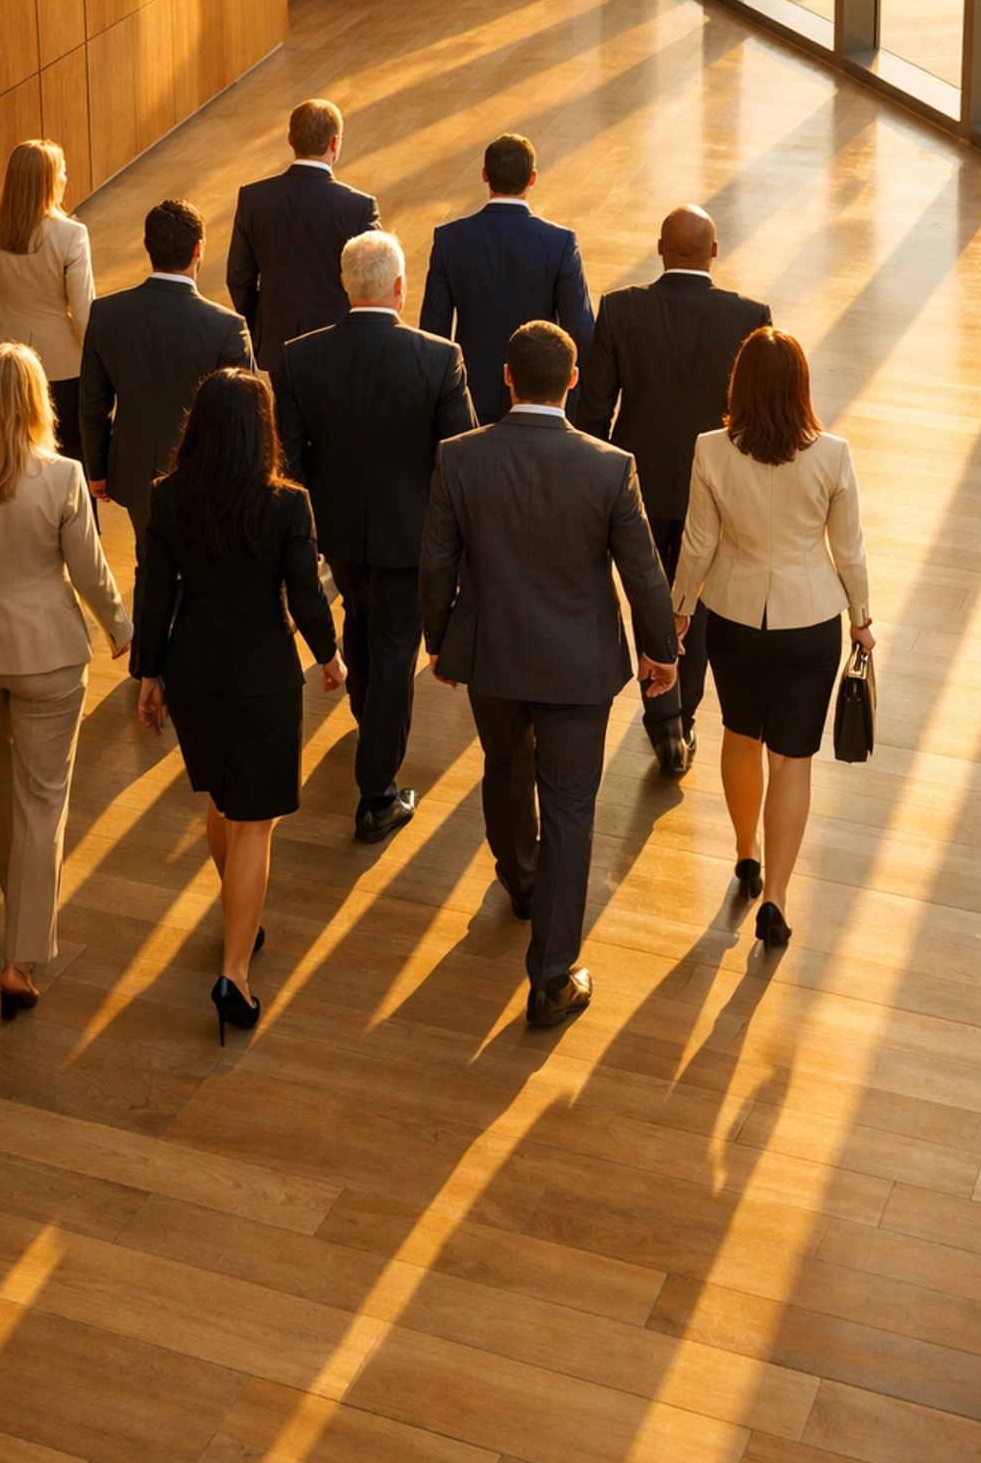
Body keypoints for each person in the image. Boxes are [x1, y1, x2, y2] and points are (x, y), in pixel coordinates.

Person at [420, 322, 678, 1027]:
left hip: (492, 657)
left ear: (506, 377)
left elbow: (437, 561)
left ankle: (521, 881)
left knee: (504, 767)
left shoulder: (459, 458)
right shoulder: (607, 465)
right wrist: (662, 654)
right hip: (578, 666)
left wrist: (439, 641)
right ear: (571, 381)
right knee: (571, 806)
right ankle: (552, 976)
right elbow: (644, 571)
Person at [0, 344, 132, 1017]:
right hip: (50, 655)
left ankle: (21, 910)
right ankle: (20, 955)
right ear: (39, 400)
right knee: (43, 798)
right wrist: (122, 629)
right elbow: (90, 570)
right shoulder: (62, 475)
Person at [134, 369, 346, 1041]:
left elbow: (155, 596)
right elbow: (306, 594)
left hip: (194, 674)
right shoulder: (286, 504)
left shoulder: (168, 499)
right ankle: (235, 974)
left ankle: (239, 916)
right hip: (262, 677)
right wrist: (331, 654)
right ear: (262, 430)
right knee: (256, 821)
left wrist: (149, 675)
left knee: (223, 802)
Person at [671, 329, 872, 951]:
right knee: (791, 758)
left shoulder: (710, 450)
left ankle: (745, 853)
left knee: (739, 733)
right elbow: (850, 550)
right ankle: (778, 898)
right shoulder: (833, 454)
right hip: (810, 623)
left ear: (740, 385)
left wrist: (678, 612)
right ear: (801, 387)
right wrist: (861, 618)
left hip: (731, 617)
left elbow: (698, 544)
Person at [277, 230, 474, 844]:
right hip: (408, 537)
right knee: (390, 651)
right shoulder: (439, 358)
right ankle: (377, 795)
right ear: (399, 287)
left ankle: (371, 724)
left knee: (361, 627)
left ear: (345, 284)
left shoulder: (300, 356)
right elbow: (460, 457)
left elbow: (289, 456)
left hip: (335, 531)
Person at [581, 203, 771, 777]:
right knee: (700, 604)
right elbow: (757, 413)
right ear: (714, 253)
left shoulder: (620, 309)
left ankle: (664, 722)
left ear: (660, 250)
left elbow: (592, 413)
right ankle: (683, 720)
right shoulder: (750, 317)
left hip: (634, 483)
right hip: (716, 488)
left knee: (650, 595)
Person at [79, 197, 253, 619]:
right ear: (199, 249)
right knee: (203, 571)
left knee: (149, 563)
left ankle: (147, 668)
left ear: (146, 246)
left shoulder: (105, 314)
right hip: (207, 477)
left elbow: (91, 403)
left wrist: (97, 470)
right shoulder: (227, 326)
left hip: (135, 470)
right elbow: (245, 416)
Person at [419, 132, 596, 425]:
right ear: (533, 178)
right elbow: (580, 330)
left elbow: (434, 332)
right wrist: (565, 398)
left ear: (485, 175)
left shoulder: (450, 240)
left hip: (469, 396)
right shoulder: (559, 243)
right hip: (539, 397)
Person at [226, 99, 379, 377]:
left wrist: (260, 326)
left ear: (290, 138)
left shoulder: (253, 199)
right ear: (335, 143)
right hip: (343, 346)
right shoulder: (358, 207)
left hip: (278, 343)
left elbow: (239, 278)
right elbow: (373, 280)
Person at [0, 140, 94, 459]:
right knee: (70, 454)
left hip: (4, 356)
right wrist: (97, 358)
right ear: (51, 181)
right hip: (63, 362)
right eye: (63, 172)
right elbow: (82, 312)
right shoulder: (71, 235)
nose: (66, 178)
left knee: (11, 452)